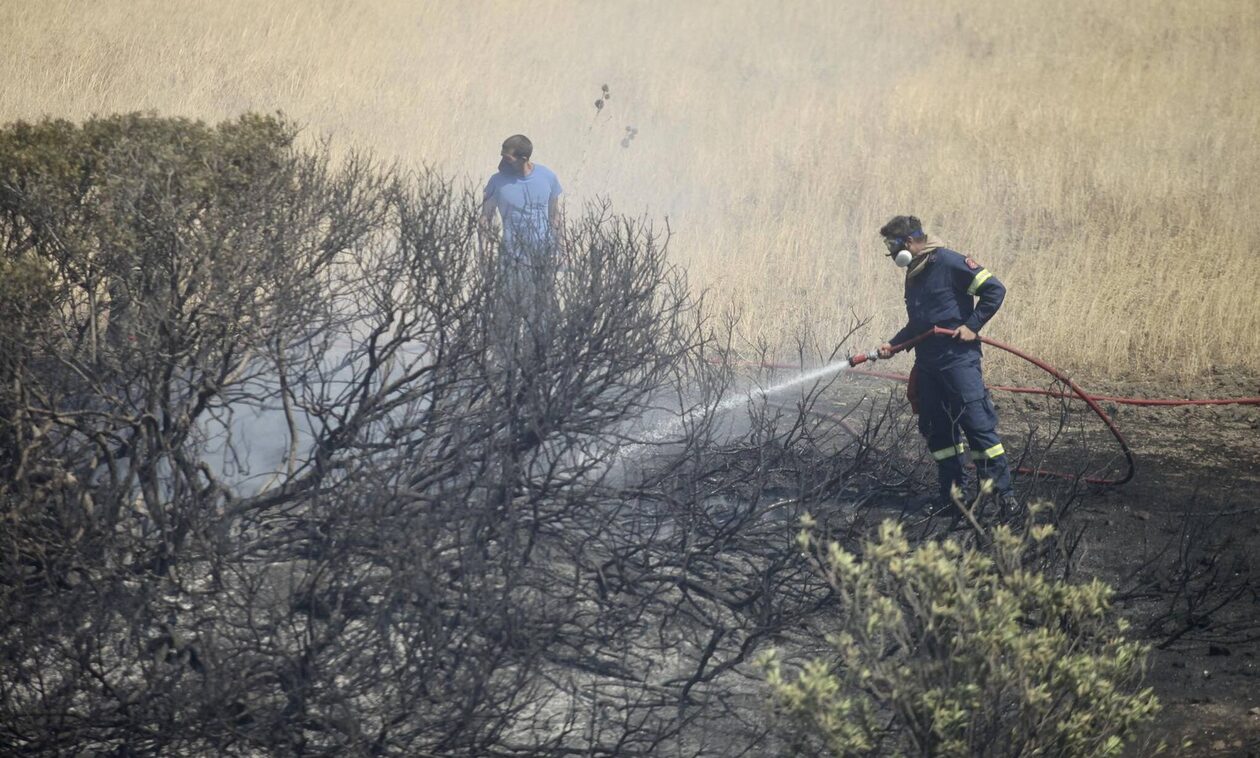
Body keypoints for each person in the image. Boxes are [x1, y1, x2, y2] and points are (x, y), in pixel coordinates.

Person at [876, 215, 1019, 517]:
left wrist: (972, 325)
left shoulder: (950, 262)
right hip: (928, 365)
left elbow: (995, 289)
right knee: (939, 433)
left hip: (958, 361)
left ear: (911, 241)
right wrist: (893, 344)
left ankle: (1003, 499)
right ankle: (954, 497)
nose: (892, 253)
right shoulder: (914, 273)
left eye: (894, 246)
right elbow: (919, 324)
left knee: (978, 428)